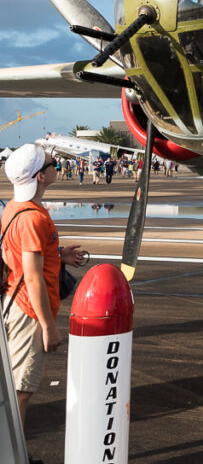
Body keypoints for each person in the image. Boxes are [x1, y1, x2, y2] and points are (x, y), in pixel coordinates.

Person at [2, 144, 86, 441]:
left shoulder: (17, 208)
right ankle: (13, 454)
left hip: (19, 302)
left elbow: (22, 255)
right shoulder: (33, 218)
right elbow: (33, 278)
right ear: (40, 176)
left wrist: (57, 255)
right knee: (20, 391)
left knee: (18, 388)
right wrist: (48, 326)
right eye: (53, 164)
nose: (57, 166)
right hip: (30, 311)